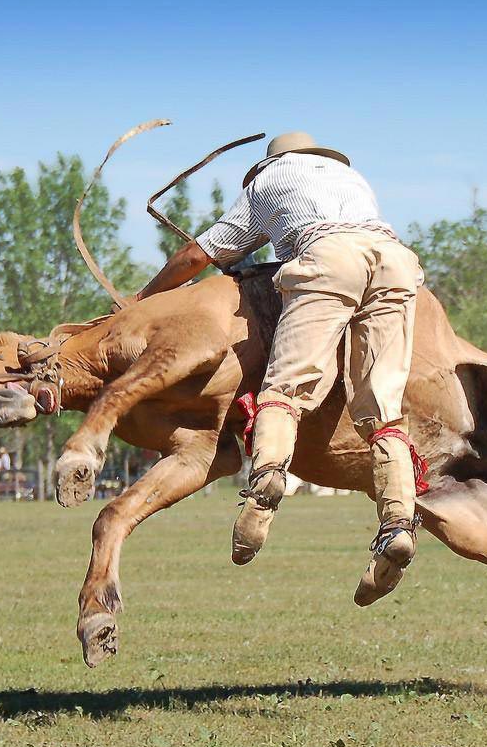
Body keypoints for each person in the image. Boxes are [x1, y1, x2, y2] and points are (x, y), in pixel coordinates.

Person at [135, 131, 425, 603]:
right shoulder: (351, 178)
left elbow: (198, 255)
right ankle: (396, 521)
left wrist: (143, 300)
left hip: (328, 256)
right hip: (396, 262)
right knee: (382, 410)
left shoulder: (269, 180)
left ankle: (265, 483)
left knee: (284, 393)